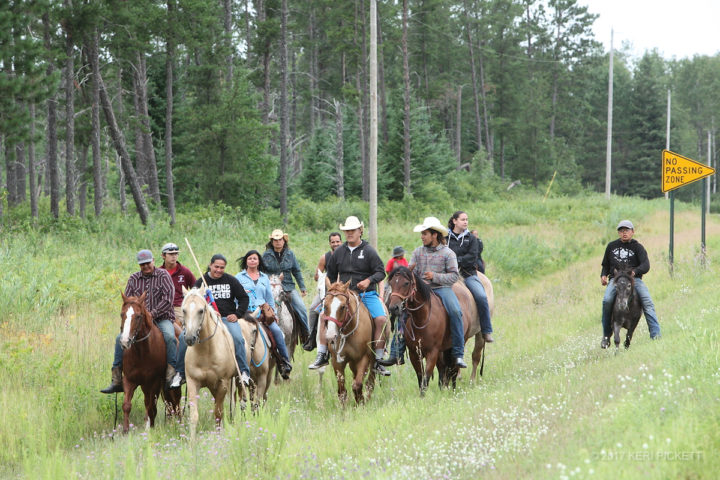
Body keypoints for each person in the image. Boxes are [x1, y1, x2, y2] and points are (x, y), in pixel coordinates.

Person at [310, 216, 391, 376]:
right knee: (321, 315)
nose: (349, 233)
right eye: (347, 231)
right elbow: (332, 274)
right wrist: (334, 290)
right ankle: (322, 352)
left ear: (360, 231)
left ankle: (379, 359)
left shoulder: (368, 251)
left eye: (352, 230)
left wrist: (368, 281)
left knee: (381, 319)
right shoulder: (339, 252)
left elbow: (381, 271)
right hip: (342, 294)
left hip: (366, 294)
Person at [383, 217, 467, 369]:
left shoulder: (448, 253)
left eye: (425, 233)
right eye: (422, 234)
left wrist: (435, 276)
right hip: (420, 291)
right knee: (402, 314)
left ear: (434, 235)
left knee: (455, 311)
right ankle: (396, 353)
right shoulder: (417, 252)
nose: (422, 236)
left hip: (441, 289)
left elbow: (454, 276)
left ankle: (458, 353)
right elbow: (409, 274)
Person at [101, 249, 180, 393]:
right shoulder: (133, 279)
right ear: (139, 265)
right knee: (120, 338)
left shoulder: (164, 276)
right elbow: (127, 302)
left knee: (170, 337)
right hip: (138, 321)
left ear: (153, 261)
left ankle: (171, 372)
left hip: (162, 318)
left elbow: (168, 300)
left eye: (148, 263)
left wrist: (151, 314)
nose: (145, 266)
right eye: (142, 264)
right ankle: (117, 376)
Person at [175, 254, 251, 386]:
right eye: (216, 266)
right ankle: (180, 373)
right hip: (207, 321)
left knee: (238, 338)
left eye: (222, 267)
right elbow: (192, 300)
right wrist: (209, 311)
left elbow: (244, 298)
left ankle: (243, 372)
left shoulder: (231, 281)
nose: (219, 270)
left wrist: (237, 314)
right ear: (210, 265)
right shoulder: (201, 282)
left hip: (226, 318)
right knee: (182, 337)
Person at [600, 220, 661, 348]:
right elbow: (605, 264)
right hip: (615, 279)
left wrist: (636, 271)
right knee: (607, 300)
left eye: (627, 230)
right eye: (621, 231)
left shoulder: (638, 247)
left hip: (634, 280)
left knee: (647, 301)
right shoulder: (611, 246)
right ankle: (606, 336)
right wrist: (603, 275)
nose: (624, 233)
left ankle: (655, 334)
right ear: (618, 233)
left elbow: (646, 265)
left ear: (632, 232)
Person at [236, 250, 293, 379]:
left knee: (277, 332)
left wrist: (273, 313)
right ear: (246, 261)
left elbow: (269, 297)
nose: (252, 261)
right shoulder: (238, 277)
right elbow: (235, 297)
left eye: (255, 259)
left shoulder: (264, 278)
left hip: (262, 312)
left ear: (259, 261)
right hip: (244, 312)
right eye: (250, 258)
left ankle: (284, 361)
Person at [447, 212, 493, 342]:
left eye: (467, 219)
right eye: (463, 219)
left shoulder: (471, 238)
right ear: (455, 221)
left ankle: (486, 330)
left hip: (468, 275)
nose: (466, 222)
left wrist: (454, 260)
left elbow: (472, 257)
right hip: (448, 275)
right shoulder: (445, 238)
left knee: (482, 297)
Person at [262, 230, 311, 347]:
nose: (278, 242)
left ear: (284, 241)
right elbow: (261, 272)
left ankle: (306, 335)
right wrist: (272, 278)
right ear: (272, 242)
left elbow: (296, 271)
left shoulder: (290, 254)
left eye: (280, 240)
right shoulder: (266, 255)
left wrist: (302, 287)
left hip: (288, 286)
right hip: (271, 287)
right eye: (275, 240)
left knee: (301, 308)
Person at [307, 232, 343, 350]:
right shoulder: (325, 257)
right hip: (327, 290)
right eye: (333, 242)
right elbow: (317, 275)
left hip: (342, 289)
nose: (335, 244)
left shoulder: (345, 255)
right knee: (313, 309)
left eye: (337, 241)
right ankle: (311, 338)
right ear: (330, 243)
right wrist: (320, 276)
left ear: (341, 242)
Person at [158, 242, 196, 326]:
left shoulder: (185, 271)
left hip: (179, 306)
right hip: (161, 307)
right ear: (163, 256)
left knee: (182, 324)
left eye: (176, 254)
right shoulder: (158, 272)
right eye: (171, 254)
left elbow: (195, 288)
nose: (174, 256)